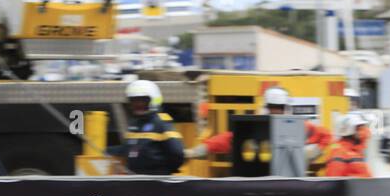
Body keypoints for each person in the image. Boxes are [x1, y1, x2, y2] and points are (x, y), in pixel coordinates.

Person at [187, 86, 333, 162]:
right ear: (266, 107)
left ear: (286, 108)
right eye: (272, 107)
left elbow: (326, 136)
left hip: (289, 176)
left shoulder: (301, 126)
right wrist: (199, 150)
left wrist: (310, 152)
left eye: (279, 108)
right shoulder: (255, 126)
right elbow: (227, 140)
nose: (275, 112)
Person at [107, 80, 185, 176]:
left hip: (157, 181)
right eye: (134, 101)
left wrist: (164, 172)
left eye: (143, 101)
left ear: (154, 100)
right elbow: (128, 148)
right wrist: (106, 151)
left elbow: (177, 153)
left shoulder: (161, 123)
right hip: (135, 179)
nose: (138, 105)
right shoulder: (134, 124)